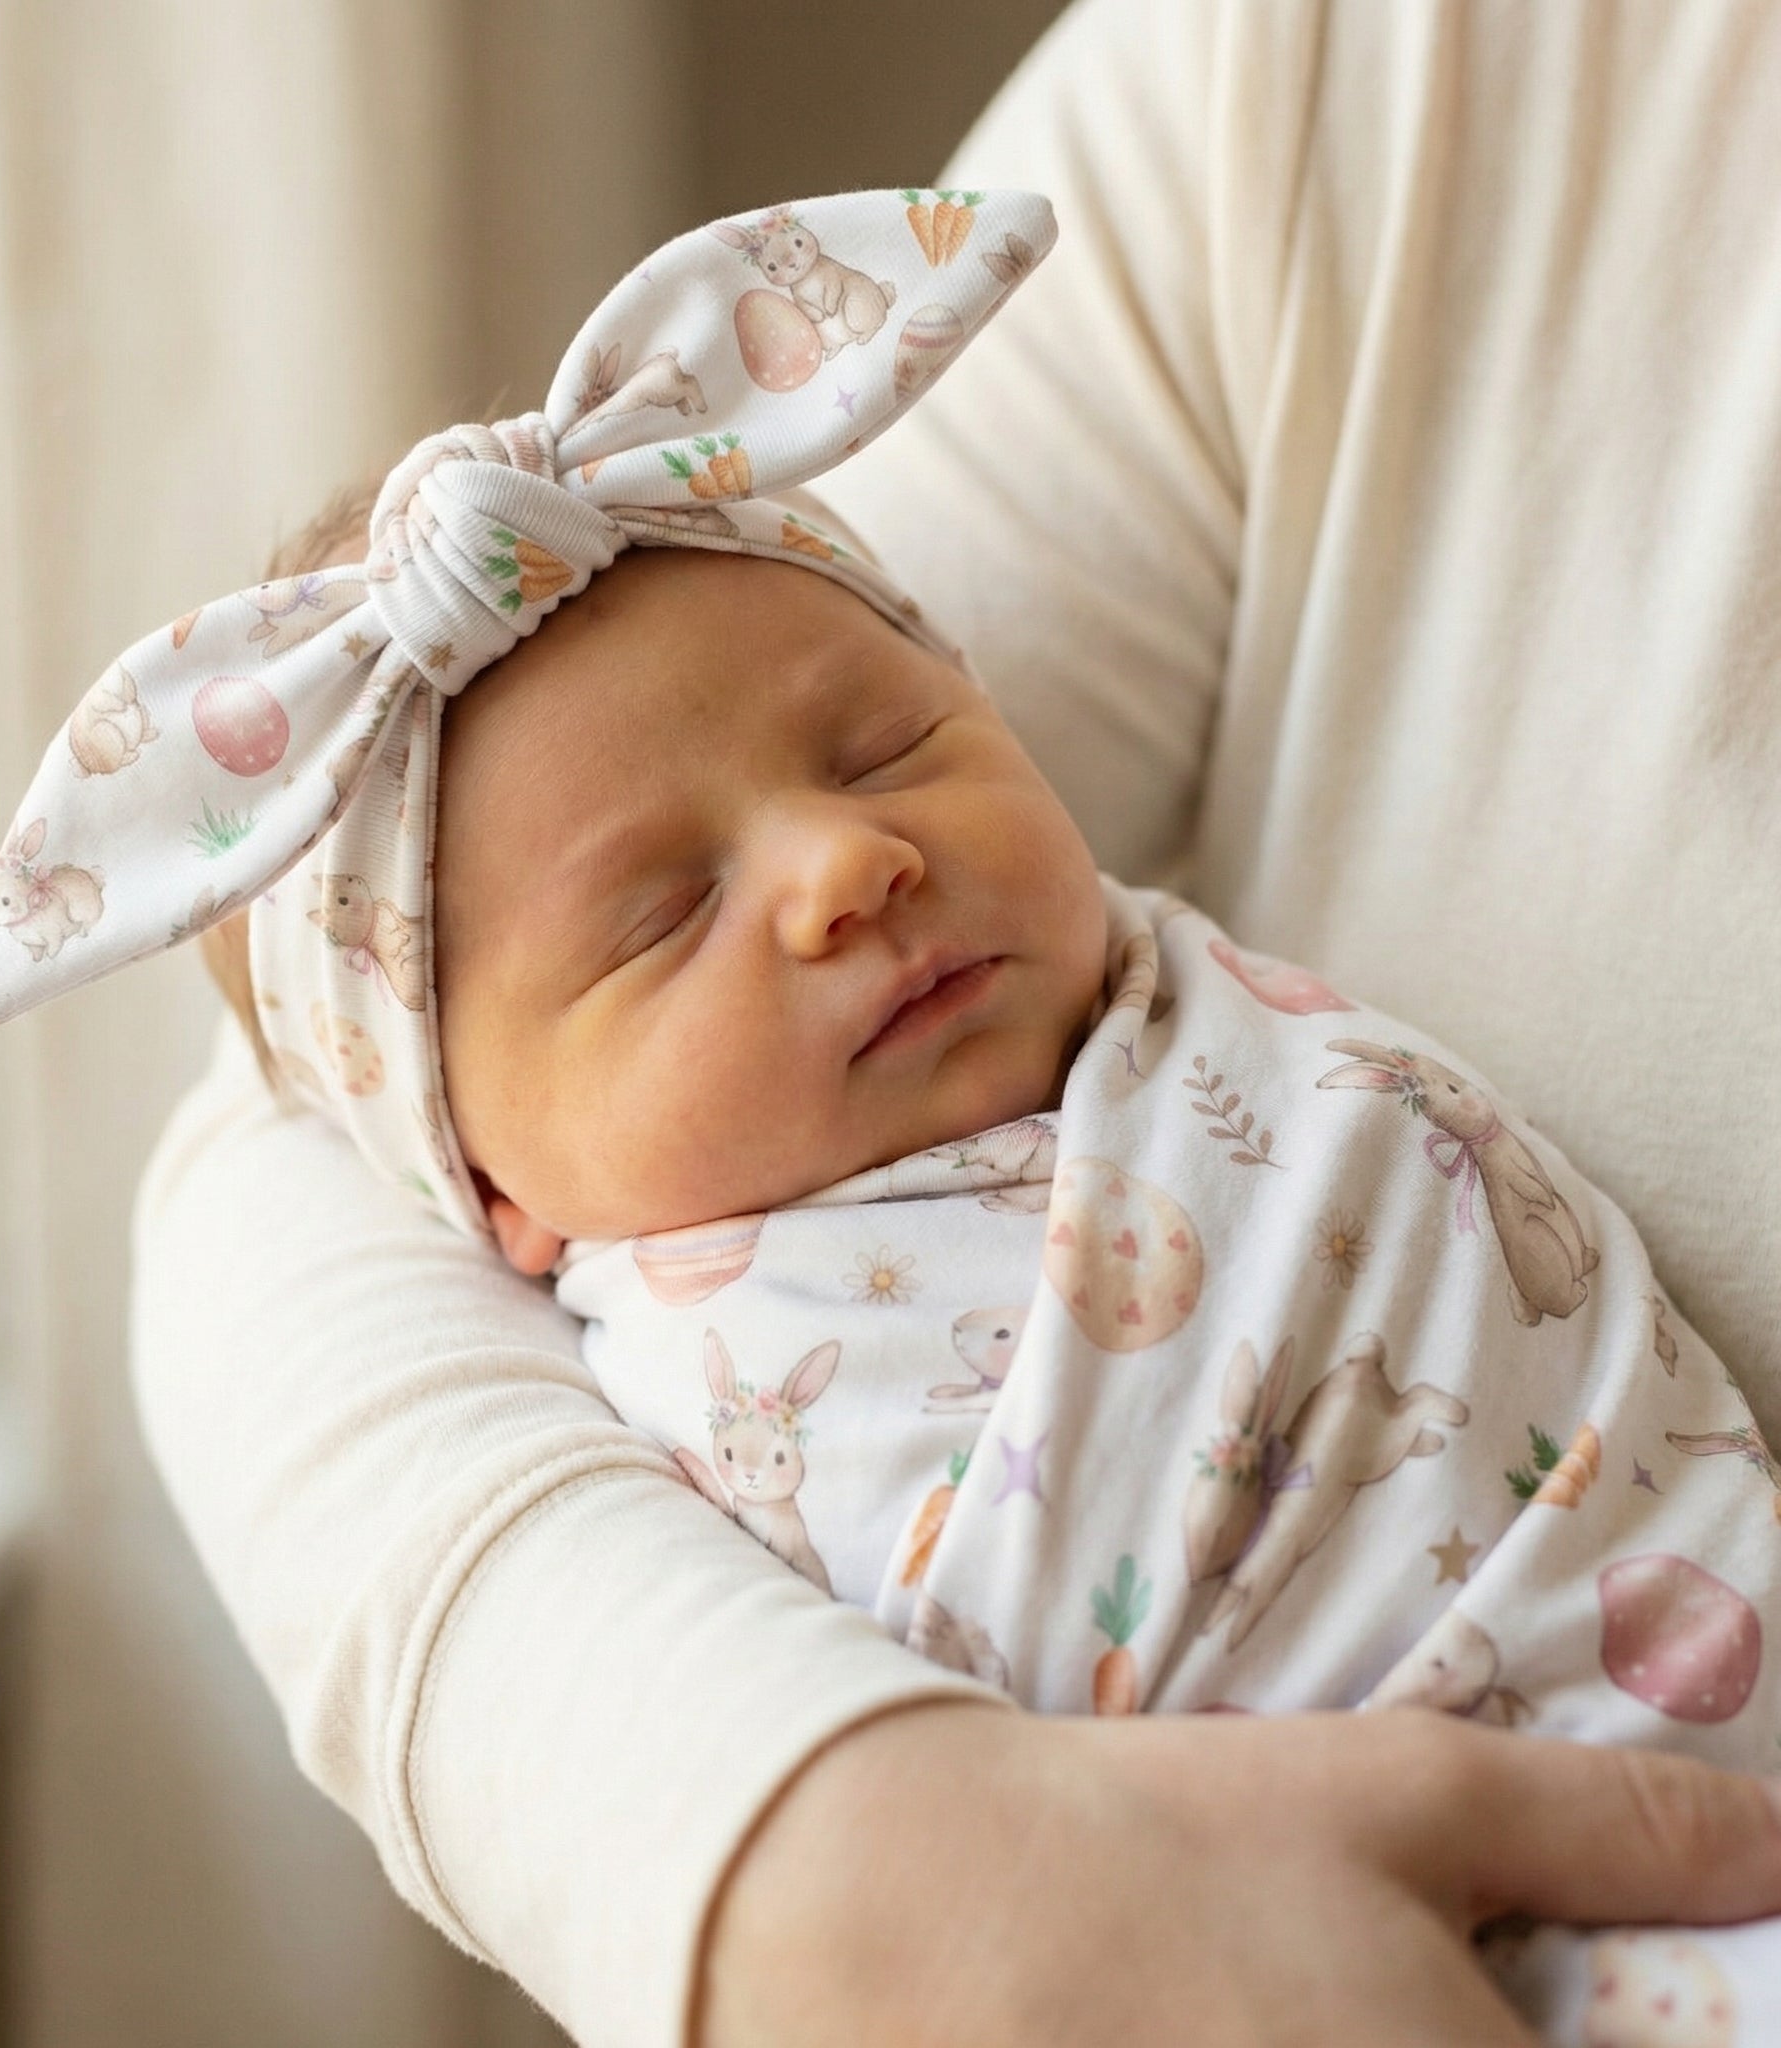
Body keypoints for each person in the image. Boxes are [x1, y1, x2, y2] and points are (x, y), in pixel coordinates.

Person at [118, 6, 1781, 2045]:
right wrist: (852, 1847)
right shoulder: (1365, 73)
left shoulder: (1129, 1011)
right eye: (660, 917)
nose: (848, 860)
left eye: (892, 745)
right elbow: (266, 1180)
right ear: (493, 1188)